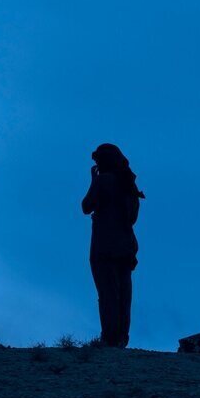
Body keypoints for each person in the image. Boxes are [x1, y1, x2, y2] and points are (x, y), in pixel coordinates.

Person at [82, 143, 143, 348]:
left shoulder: (103, 181)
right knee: (124, 295)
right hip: (126, 246)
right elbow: (133, 217)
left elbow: (86, 206)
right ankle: (121, 338)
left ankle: (109, 338)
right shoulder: (129, 185)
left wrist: (94, 181)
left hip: (104, 246)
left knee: (108, 294)